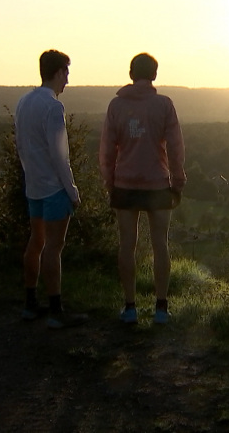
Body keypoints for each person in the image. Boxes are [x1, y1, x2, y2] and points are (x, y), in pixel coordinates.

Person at [99, 53, 186, 325]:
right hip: (158, 183)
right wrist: (178, 181)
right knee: (161, 245)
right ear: (155, 75)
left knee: (127, 245)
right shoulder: (164, 105)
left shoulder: (116, 106)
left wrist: (109, 183)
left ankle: (130, 307)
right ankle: (161, 309)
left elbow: (106, 151)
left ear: (130, 74)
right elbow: (175, 147)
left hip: (125, 183)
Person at [14, 49, 88, 329]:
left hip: (33, 185)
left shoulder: (24, 102)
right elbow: (60, 155)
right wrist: (72, 190)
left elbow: (21, 144)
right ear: (58, 73)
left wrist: (29, 175)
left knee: (36, 242)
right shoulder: (53, 107)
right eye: (66, 73)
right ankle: (56, 309)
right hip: (54, 188)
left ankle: (30, 303)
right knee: (53, 248)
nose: (67, 80)